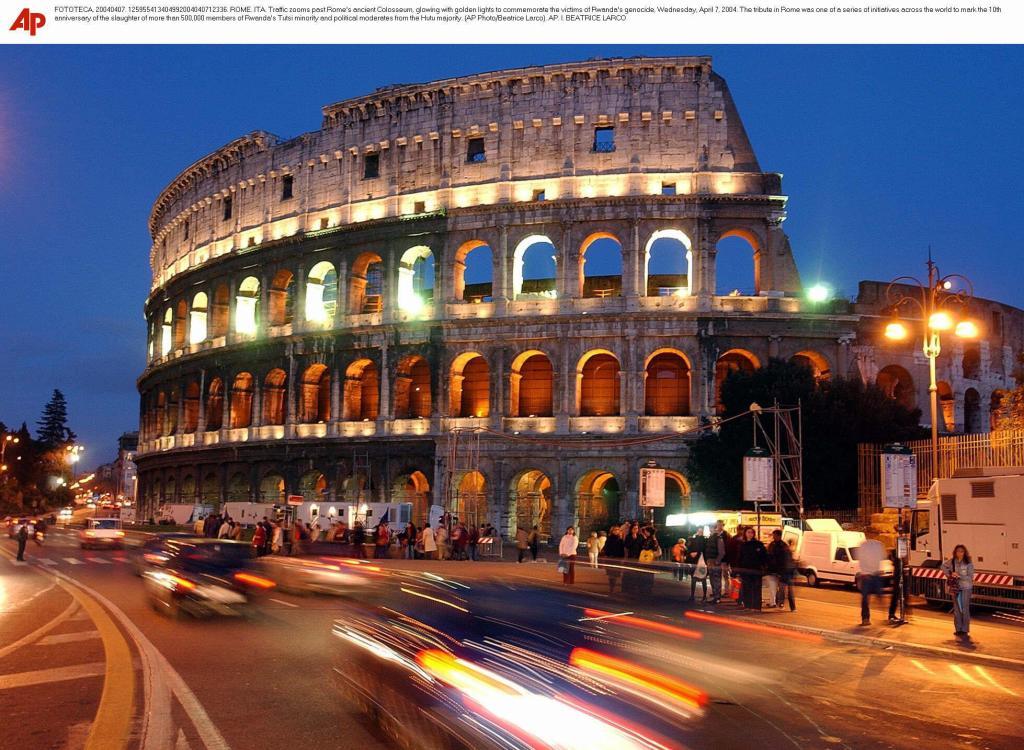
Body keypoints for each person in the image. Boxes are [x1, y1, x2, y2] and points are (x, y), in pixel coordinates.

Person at [942, 544, 975, 638]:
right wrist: (950, 574)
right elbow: (943, 566)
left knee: (964, 609)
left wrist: (960, 576)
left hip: (966, 588)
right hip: (955, 588)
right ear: (955, 552)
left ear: (965, 553)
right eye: (958, 551)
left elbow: (970, 577)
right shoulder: (952, 561)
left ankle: (965, 629)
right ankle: (958, 629)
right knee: (956, 609)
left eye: (961, 551)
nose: (959, 553)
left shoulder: (968, 563)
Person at [856, 537, 885, 626]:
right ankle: (884, 615)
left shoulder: (863, 545)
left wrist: (864, 570)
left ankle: (865, 618)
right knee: (879, 596)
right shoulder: (879, 544)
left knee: (865, 598)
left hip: (866, 575)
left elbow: (860, 559)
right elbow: (882, 557)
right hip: (875, 574)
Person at [738, 527, 768, 610]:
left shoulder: (758, 544)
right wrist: (739, 570)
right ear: (745, 533)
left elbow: (764, 556)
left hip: (756, 569)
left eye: (751, 532)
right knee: (747, 588)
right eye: (748, 532)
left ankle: (756, 606)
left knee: (756, 588)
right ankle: (748, 605)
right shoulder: (743, 545)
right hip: (746, 570)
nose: (750, 534)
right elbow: (740, 558)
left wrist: (764, 567)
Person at [767, 529, 796, 611]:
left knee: (783, 589)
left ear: (779, 536)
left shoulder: (780, 546)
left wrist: (778, 570)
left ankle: (781, 604)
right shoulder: (783, 546)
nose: (773, 537)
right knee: (787, 589)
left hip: (784, 571)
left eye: (775, 535)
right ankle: (791, 607)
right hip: (787, 570)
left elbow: (777, 559)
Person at [705, 521, 727, 604]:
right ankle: (715, 596)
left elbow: (722, 552)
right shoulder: (711, 537)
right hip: (710, 561)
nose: (710, 529)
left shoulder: (718, 538)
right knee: (712, 579)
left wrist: (717, 561)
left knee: (716, 579)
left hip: (715, 561)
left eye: (711, 528)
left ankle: (717, 597)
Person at [602, 525, 626, 594]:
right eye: (615, 530)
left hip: (617, 558)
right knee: (611, 575)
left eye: (618, 530)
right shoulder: (609, 538)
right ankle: (611, 588)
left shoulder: (620, 539)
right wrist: (607, 555)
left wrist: (622, 558)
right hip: (610, 558)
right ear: (612, 531)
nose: (616, 531)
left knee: (615, 574)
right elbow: (606, 548)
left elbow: (622, 549)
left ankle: (613, 588)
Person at [687, 528, 708, 602]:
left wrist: (696, 553)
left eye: (701, 531)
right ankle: (692, 595)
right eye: (699, 531)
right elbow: (689, 549)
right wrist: (691, 553)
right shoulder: (693, 539)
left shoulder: (705, 540)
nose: (700, 532)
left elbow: (704, 549)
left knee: (703, 579)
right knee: (694, 579)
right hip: (695, 561)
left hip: (702, 561)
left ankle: (704, 596)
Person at [888, 547, 905, 624]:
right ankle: (892, 614)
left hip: (898, 578)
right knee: (896, 596)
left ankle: (893, 614)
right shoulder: (898, 561)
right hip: (898, 578)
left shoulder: (897, 560)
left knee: (897, 596)